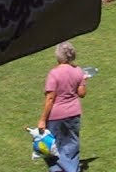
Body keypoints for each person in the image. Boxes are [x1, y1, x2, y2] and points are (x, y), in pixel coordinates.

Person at [37, 41, 87, 172]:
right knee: (72, 146)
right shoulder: (78, 71)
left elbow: (50, 98)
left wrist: (42, 119)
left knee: (53, 148)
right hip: (74, 113)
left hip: (56, 116)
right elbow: (82, 94)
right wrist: (83, 81)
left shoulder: (54, 74)